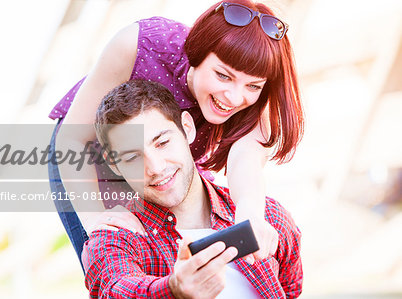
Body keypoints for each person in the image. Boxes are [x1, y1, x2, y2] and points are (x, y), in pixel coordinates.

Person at [49, 0, 304, 264]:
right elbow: (72, 138)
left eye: (253, 85)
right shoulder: (140, 44)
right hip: (85, 160)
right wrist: (94, 222)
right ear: (198, 53)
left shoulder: (256, 105)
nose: (234, 97)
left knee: (178, 263)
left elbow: (246, 160)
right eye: (223, 76)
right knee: (112, 256)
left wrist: (251, 215)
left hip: (164, 170)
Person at [82, 80, 302, 298]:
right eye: (132, 157)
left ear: (187, 129)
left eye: (162, 143)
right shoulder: (114, 239)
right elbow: (116, 289)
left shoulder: (268, 217)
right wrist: (173, 290)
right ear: (113, 164)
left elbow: (291, 290)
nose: (156, 168)